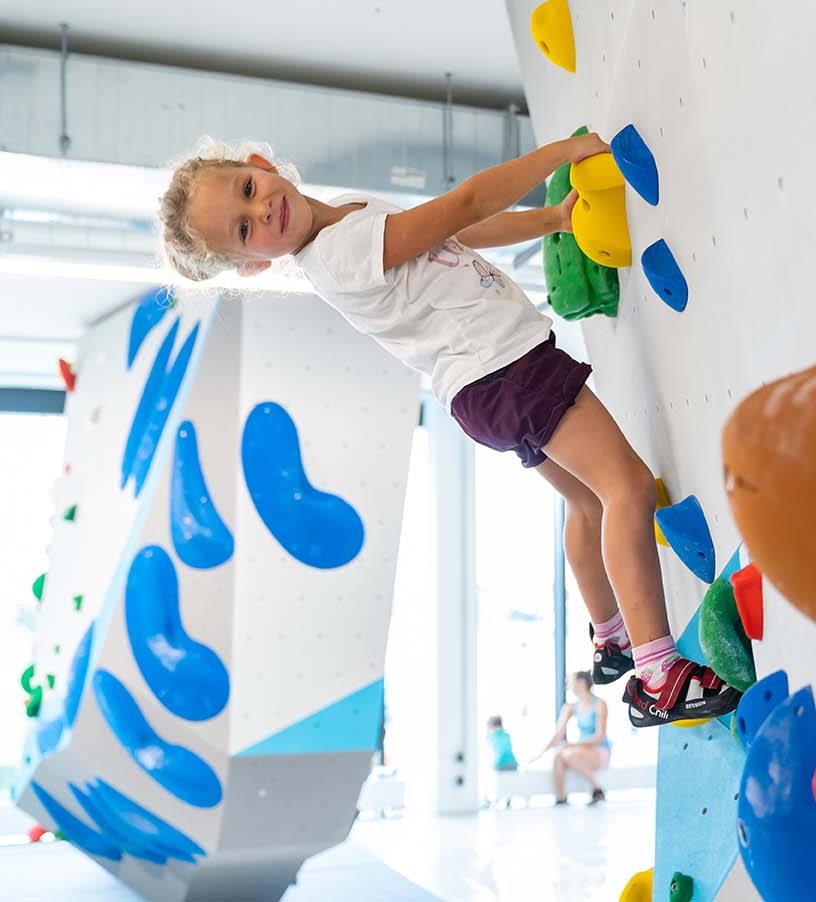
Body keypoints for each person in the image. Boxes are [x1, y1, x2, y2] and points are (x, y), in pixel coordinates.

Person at [156, 134, 741, 727]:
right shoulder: (341, 253)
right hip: (508, 368)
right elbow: (464, 205)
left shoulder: (345, 216)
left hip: (483, 389)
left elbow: (454, 234)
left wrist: (552, 218)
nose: (263, 212)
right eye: (245, 230)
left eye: (249, 191)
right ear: (255, 265)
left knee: (589, 504)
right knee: (629, 490)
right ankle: (658, 675)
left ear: (260, 165)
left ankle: (612, 638)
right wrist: (559, 154)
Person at [529, 672, 611, 805]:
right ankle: (561, 798)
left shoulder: (599, 704)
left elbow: (600, 736)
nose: (567, 685)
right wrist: (540, 754)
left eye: (570, 682)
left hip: (598, 750)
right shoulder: (570, 707)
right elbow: (558, 734)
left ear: (582, 683)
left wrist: (573, 745)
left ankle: (597, 789)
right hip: (579, 751)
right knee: (558, 756)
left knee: (568, 754)